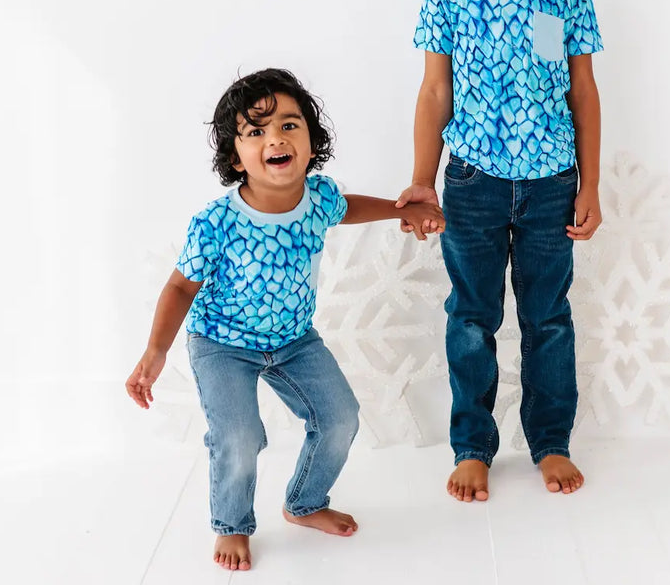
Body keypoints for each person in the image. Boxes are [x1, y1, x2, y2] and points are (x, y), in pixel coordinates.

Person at [126, 68, 444, 571]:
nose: (275, 138)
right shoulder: (216, 223)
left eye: (289, 126)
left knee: (339, 419)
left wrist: (400, 211)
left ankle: (304, 503)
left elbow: (347, 208)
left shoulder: (318, 199)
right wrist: (155, 350)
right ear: (236, 157)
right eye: (256, 131)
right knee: (239, 437)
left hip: (294, 340)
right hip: (222, 344)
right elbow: (181, 286)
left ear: (311, 142)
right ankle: (232, 524)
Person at [396, 0, 603, 502]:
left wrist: (590, 185)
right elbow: (435, 92)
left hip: (551, 183)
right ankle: (472, 446)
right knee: (471, 317)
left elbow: (581, 91)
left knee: (548, 319)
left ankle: (551, 440)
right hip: (472, 182)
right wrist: (422, 181)